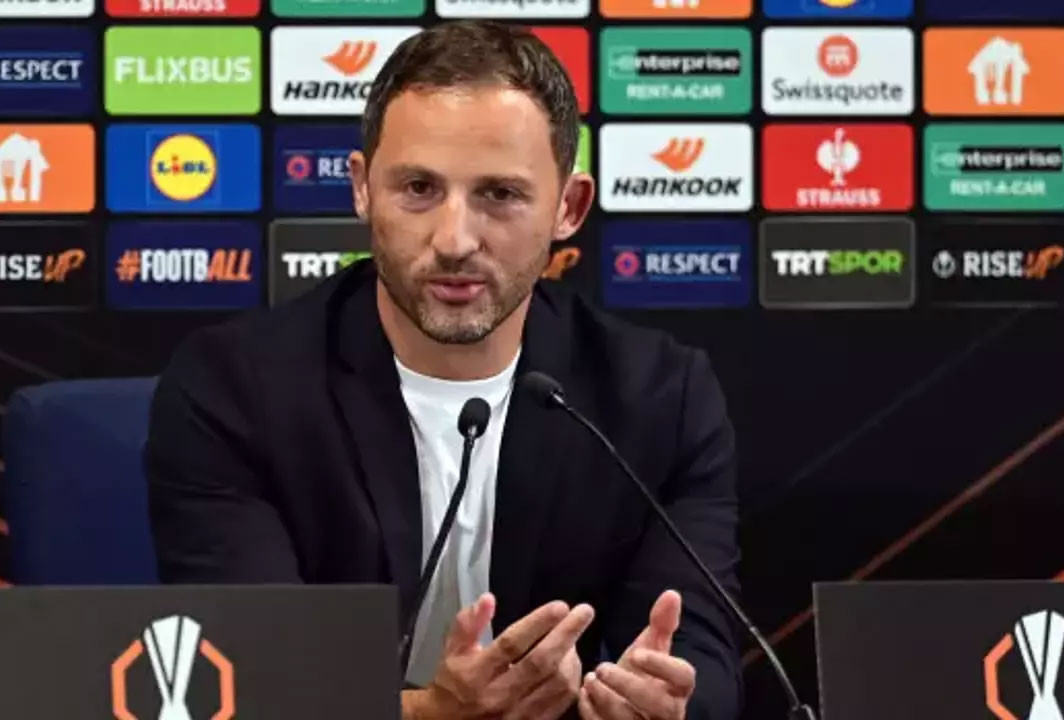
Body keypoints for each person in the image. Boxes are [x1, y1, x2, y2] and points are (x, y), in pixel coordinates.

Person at [145, 19, 743, 720]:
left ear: (569, 207)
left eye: (500, 195)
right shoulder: (235, 389)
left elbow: (703, 666)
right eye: (419, 188)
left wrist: (661, 702)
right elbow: (246, 683)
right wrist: (427, 713)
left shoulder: (658, 397)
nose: (455, 240)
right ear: (362, 189)